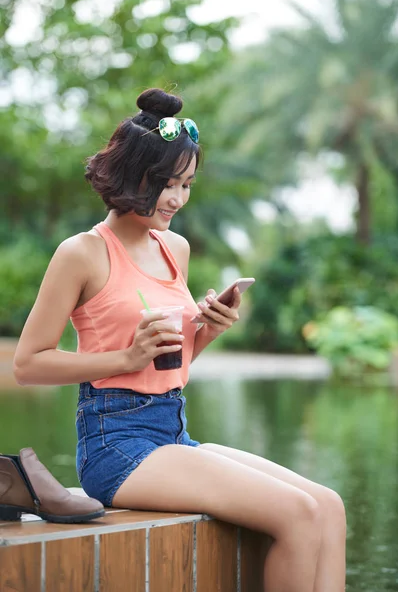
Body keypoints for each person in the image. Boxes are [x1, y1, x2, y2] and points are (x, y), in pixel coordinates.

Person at [13, 88, 346, 592]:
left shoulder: (175, 249)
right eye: (166, 184)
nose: (177, 199)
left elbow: (175, 361)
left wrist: (209, 327)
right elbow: (28, 363)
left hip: (173, 429)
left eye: (186, 185)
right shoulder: (81, 253)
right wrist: (126, 355)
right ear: (130, 177)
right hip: (116, 443)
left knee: (328, 506)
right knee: (296, 515)